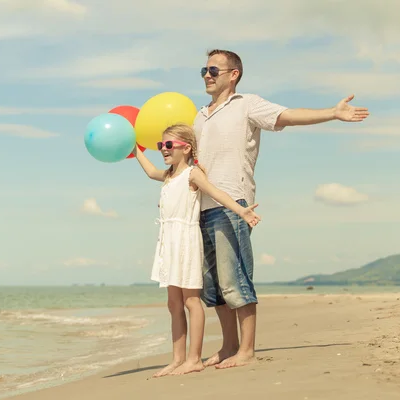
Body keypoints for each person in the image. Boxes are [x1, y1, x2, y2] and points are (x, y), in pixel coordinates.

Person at [193, 49, 370, 370]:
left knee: (236, 279)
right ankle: (229, 345)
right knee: (214, 286)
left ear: (233, 74)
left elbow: (288, 115)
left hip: (233, 204)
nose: (207, 75)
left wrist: (332, 112)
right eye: (204, 70)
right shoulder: (199, 114)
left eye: (214, 70)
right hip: (201, 208)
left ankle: (246, 350)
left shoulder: (247, 104)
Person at [132, 123, 261, 377]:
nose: (163, 150)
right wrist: (134, 148)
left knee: (192, 301)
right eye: (161, 145)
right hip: (167, 242)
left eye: (168, 145)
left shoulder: (192, 175)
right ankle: (177, 359)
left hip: (187, 241)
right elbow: (149, 172)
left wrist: (241, 211)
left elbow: (217, 193)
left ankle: (194, 359)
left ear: (187, 148)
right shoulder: (168, 175)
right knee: (173, 303)